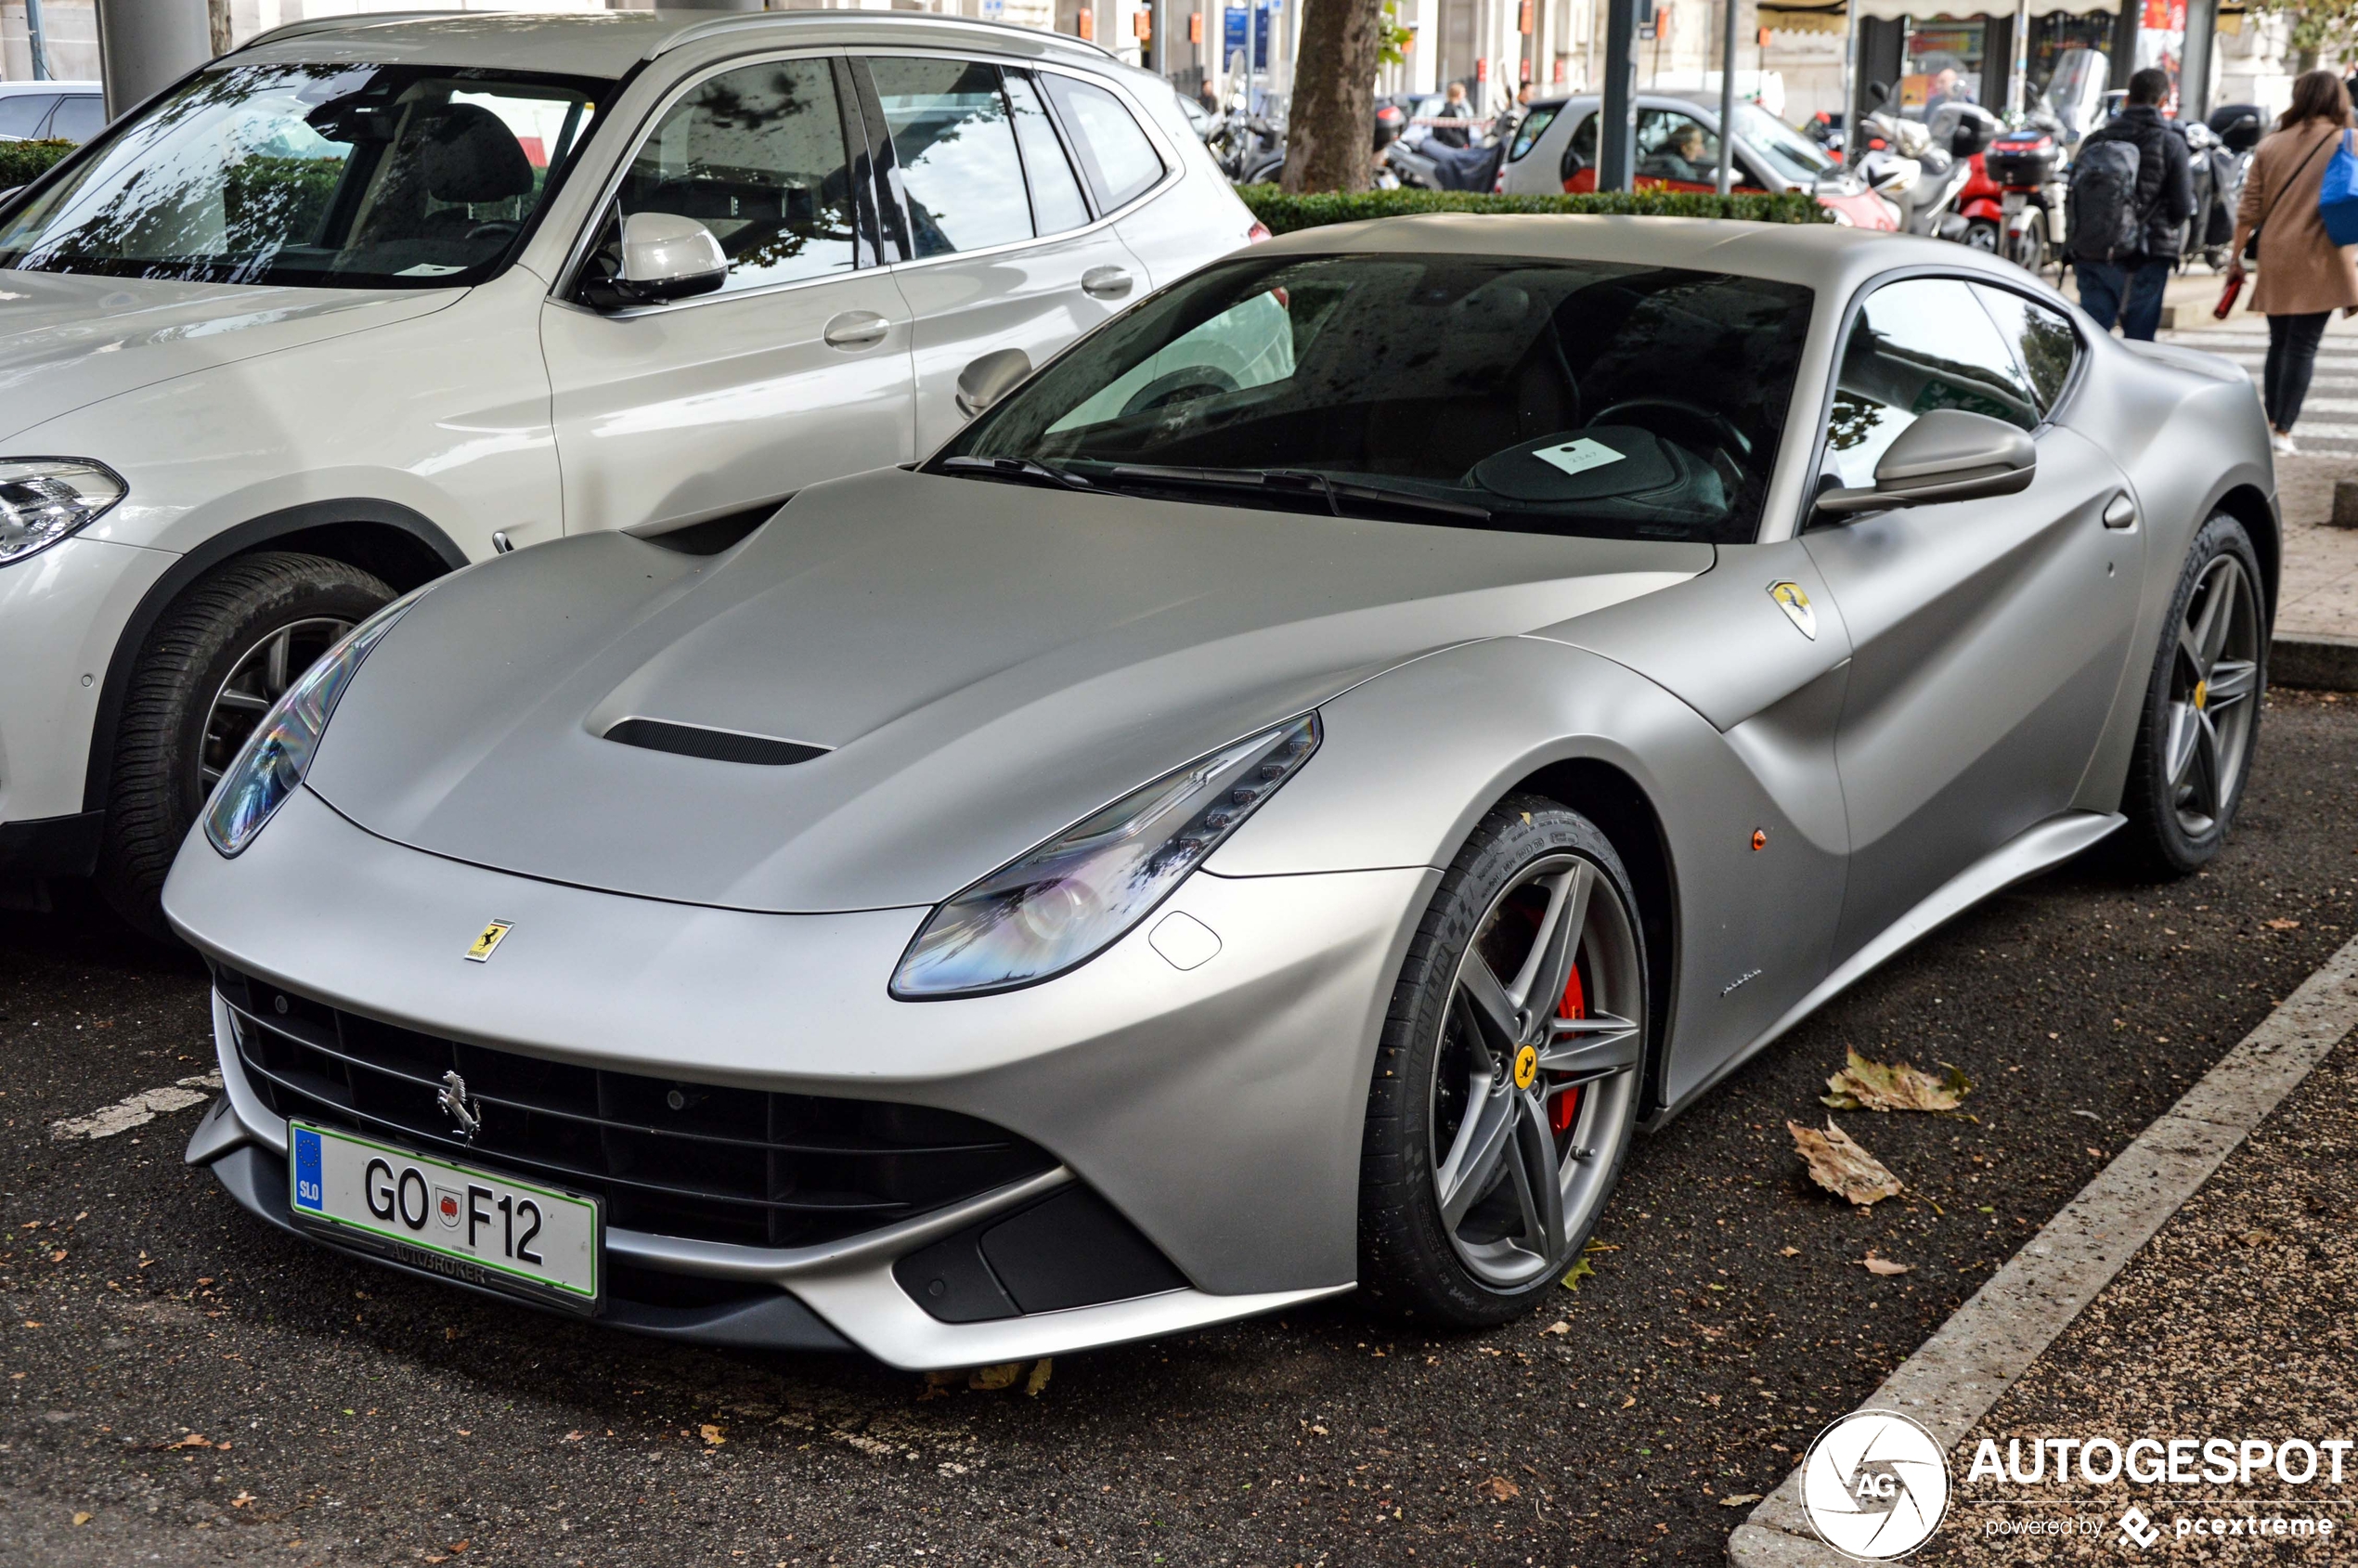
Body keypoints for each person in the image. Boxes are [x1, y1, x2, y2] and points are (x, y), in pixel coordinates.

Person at [2226, 68, 2358, 455]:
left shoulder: (2271, 144)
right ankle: (2283, 430)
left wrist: (2235, 258)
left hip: (2277, 252)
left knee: (2279, 342)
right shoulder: (2348, 141)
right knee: (2303, 345)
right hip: (2324, 254)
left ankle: (2271, 423)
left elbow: (2248, 210)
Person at [2074, 67, 2194, 342]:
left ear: (2127, 99)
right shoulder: (2171, 143)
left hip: (2093, 251)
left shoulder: (2096, 139)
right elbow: (2182, 206)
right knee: (2139, 346)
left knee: (2091, 342)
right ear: (2163, 101)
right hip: (2147, 255)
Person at [1432, 81, 1474, 149]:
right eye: (1463, 92)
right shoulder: (1448, 111)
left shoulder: (1461, 109)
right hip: (1452, 147)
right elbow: (1447, 132)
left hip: (1461, 145)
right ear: (1457, 93)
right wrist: (1460, 143)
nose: (1465, 94)